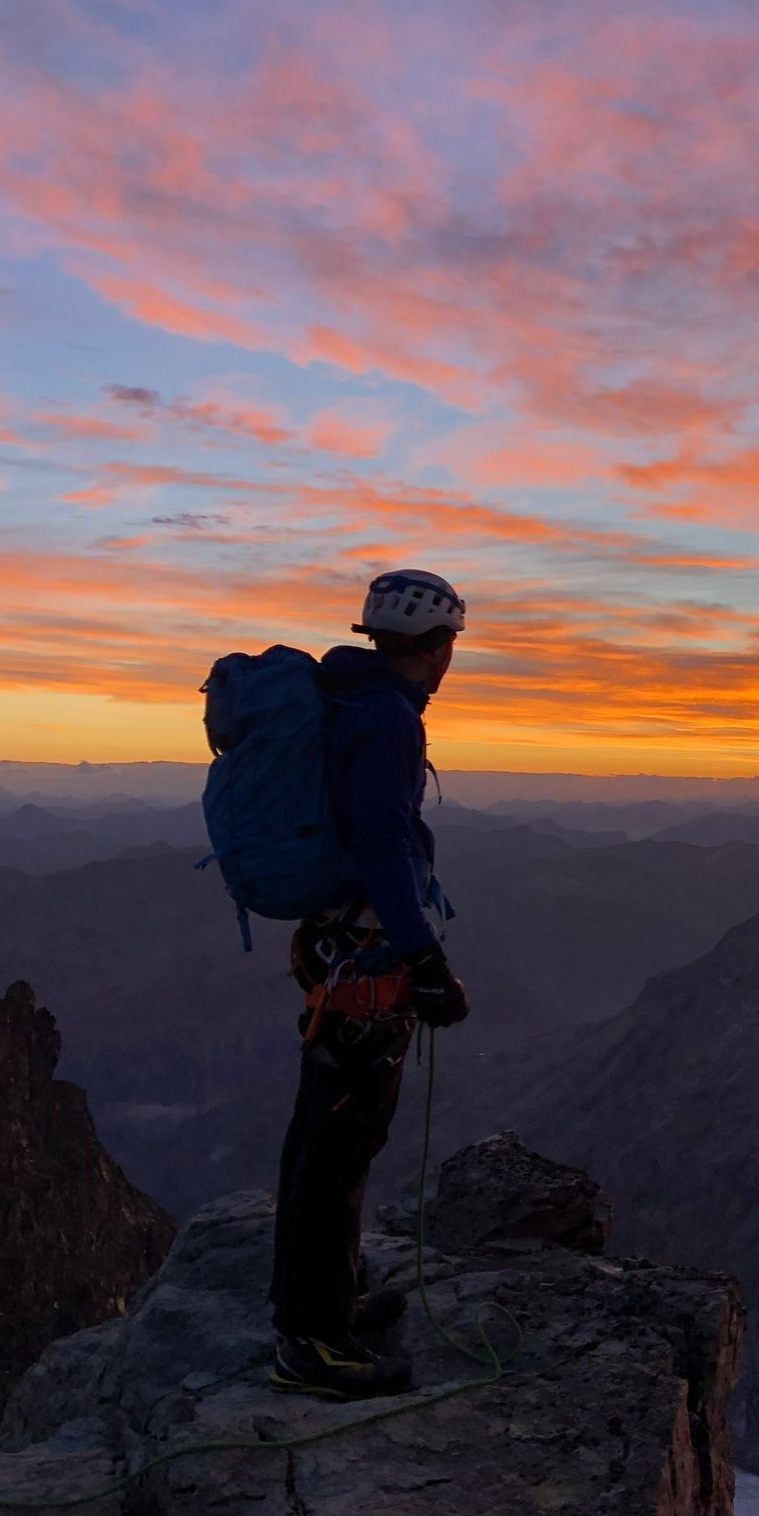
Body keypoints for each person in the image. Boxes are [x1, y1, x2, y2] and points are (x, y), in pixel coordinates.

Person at [268, 569, 472, 1400]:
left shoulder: (351, 699)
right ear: (436, 646)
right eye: (451, 643)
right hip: (368, 954)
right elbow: (385, 843)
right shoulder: (387, 717)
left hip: (334, 943)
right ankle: (313, 1344)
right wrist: (426, 962)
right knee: (340, 1142)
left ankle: (327, 1296)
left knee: (324, 1130)